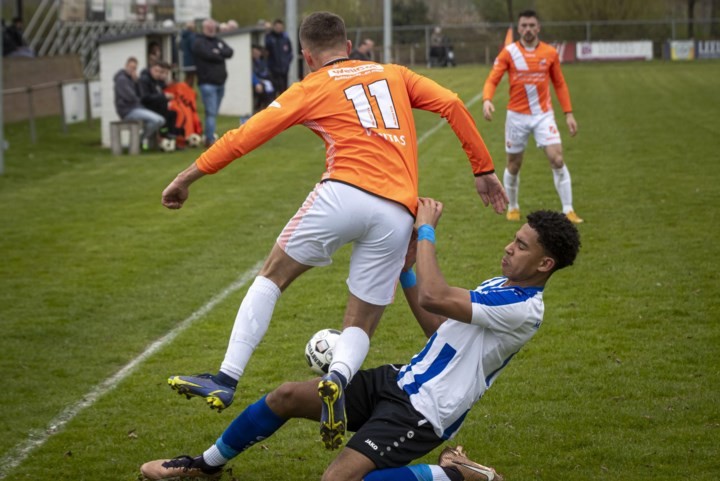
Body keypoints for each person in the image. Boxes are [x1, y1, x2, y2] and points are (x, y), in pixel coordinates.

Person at [161, 11, 507, 450]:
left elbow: (243, 136)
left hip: (342, 192)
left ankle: (226, 377)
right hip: (399, 212)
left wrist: (186, 178)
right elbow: (454, 104)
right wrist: (483, 168)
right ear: (349, 44)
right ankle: (338, 381)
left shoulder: (311, 86)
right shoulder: (394, 74)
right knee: (361, 316)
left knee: (273, 275)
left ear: (307, 56)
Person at [140, 198, 581, 481]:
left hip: (425, 412)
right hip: (400, 380)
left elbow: (436, 295)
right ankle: (203, 467)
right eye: (514, 239)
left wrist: (425, 231)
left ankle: (458, 476)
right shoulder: (502, 285)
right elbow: (437, 323)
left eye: (521, 246)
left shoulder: (524, 308)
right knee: (286, 396)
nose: (509, 247)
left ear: (544, 265)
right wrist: (408, 266)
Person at [482, 10, 583, 224]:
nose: (528, 29)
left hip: (543, 115)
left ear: (538, 28)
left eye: (531, 25)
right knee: (514, 165)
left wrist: (568, 113)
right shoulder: (508, 53)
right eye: (524, 25)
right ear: (518, 28)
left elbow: (559, 83)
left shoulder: (550, 53)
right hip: (516, 117)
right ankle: (514, 206)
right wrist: (487, 99)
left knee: (557, 158)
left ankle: (568, 209)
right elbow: (493, 79)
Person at [193, 18, 234, 147]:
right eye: (208, 27)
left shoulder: (218, 41)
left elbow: (230, 52)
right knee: (211, 112)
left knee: (213, 112)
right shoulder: (199, 42)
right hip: (207, 83)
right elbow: (208, 55)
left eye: (213, 27)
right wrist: (218, 54)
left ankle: (208, 136)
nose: (211, 29)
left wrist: (218, 52)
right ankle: (210, 140)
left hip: (220, 83)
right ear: (204, 28)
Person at [113, 56, 165, 150]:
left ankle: (139, 140)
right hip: (127, 110)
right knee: (158, 120)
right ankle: (139, 141)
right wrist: (138, 99)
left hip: (136, 108)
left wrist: (137, 82)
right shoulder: (122, 79)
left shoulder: (131, 79)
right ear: (126, 66)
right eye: (131, 67)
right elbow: (131, 97)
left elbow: (139, 95)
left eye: (134, 68)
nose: (132, 70)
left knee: (159, 120)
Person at [138, 61, 182, 141]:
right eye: (156, 71)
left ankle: (170, 137)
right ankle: (164, 137)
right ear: (151, 69)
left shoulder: (155, 81)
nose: (158, 74)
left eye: (160, 71)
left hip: (158, 107)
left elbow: (158, 93)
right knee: (167, 116)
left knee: (173, 113)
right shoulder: (144, 80)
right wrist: (164, 96)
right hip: (148, 108)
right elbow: (145, 98)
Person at [265, 18, 293, 95]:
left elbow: (290, 52)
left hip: (284, 69)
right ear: (274, 27)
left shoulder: (285, 38)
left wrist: (287, 63)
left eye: (280, 27)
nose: (278, 29)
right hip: (273, 69)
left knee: (283, 90)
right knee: (274, 89)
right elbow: (266, 52)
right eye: (277, 27)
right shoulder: (269, 38)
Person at [251, 44, 274, 112]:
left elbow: (265, 72)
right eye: (254, 52)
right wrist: (257, 83)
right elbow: (253, 74)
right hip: (257, 82)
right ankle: (261, 106)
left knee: (272, 84)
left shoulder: (262, 61)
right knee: (263, 87)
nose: (256, 54)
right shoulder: (251, 62)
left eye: (257, 52)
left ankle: (269, 105)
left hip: (264, 80)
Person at [179, 21, 197, 86]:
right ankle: (187, 93)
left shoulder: (183, 36)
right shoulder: (192, 36)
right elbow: (194, 48)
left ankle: (185, 92)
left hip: (185, 60)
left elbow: (180, 47)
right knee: (191, 78)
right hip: (192, 61)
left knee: (187, 77)